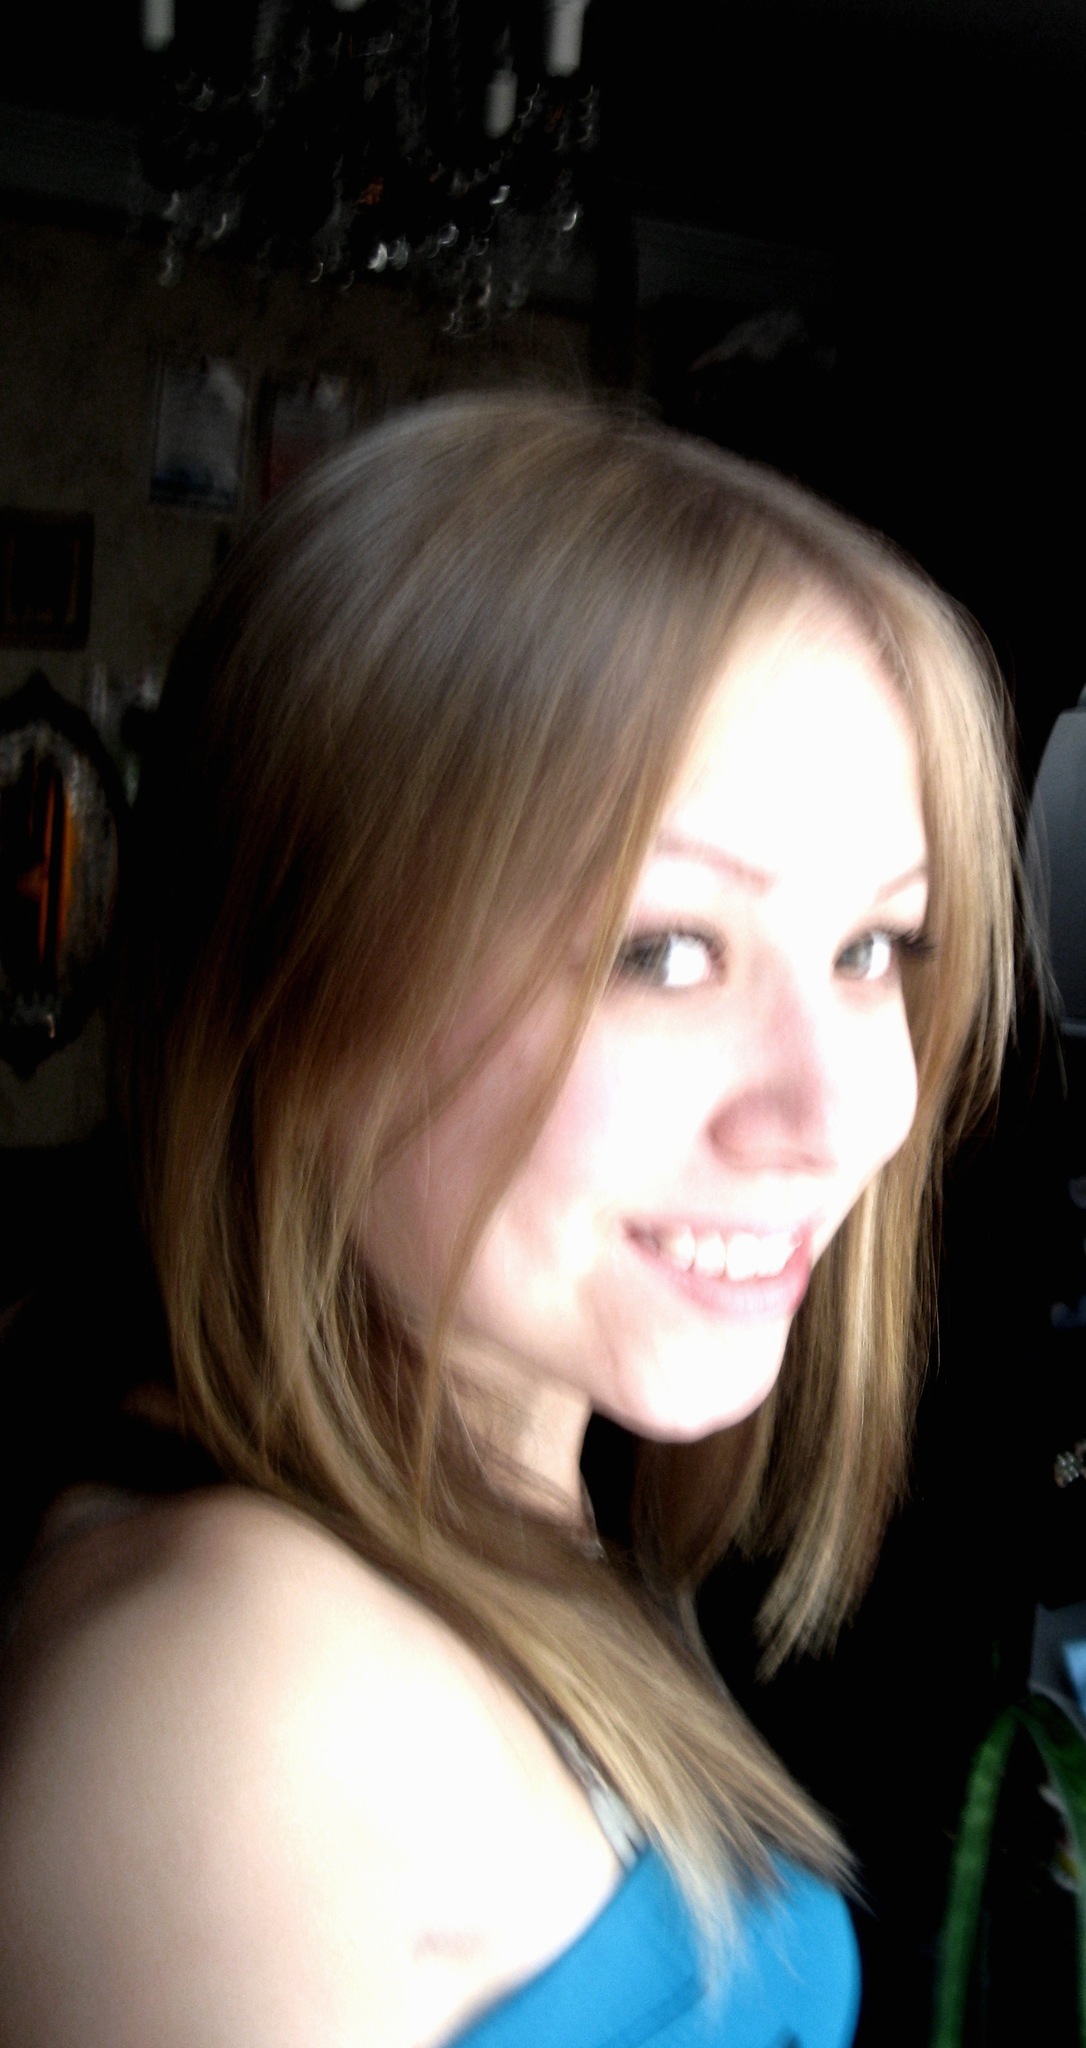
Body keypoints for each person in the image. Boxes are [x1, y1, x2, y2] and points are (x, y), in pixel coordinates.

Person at [0, 393, 1015, 2047]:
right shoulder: (241, 1713)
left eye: (871, 948)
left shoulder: (498, 1491)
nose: (843, 1115)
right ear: (293, 983)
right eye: (661, 951)